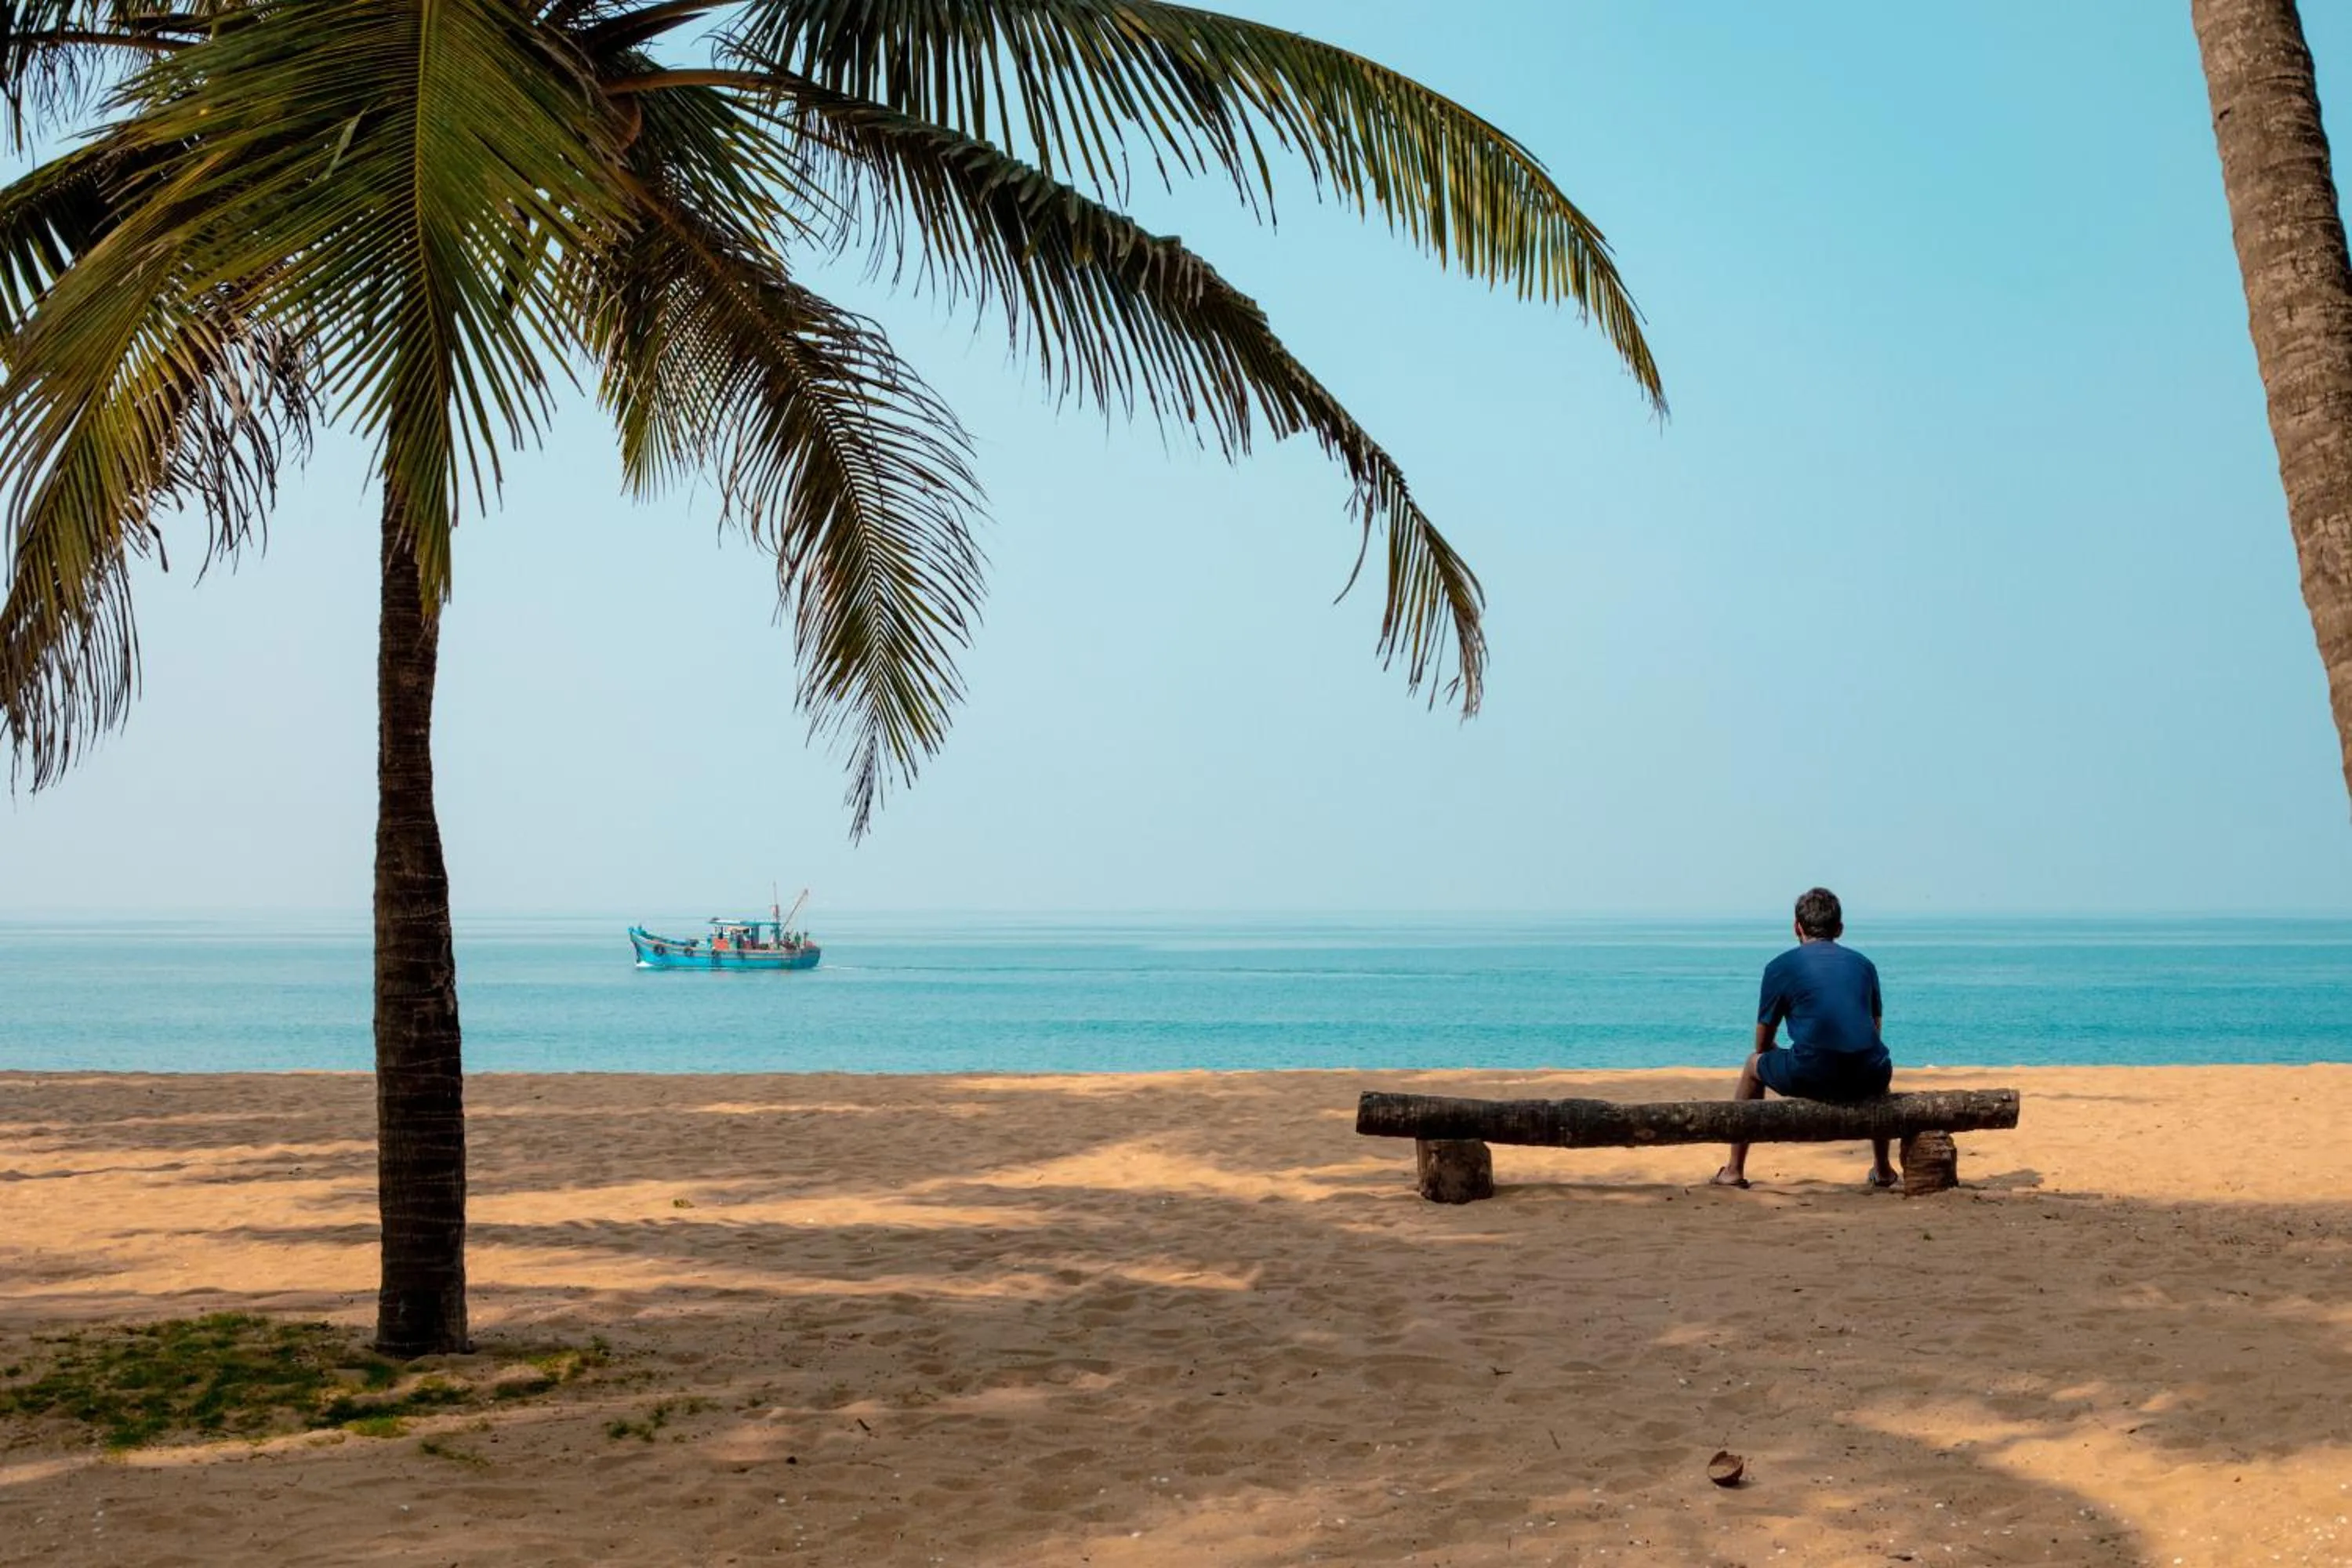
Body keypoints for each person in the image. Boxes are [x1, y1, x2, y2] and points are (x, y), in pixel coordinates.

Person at [1709, 887, 1896, 1190]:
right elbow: (1873, 1032)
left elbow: (1762, 1043)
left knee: (1753, 1064)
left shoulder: (1780, 967)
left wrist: (1792, 1055)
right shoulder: (1865, 966)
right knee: (1874, 1063)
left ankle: (1734, 1169)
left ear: (1797, 927)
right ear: (1839, 929)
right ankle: (1884, 1169)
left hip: (1812, 1073)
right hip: (1867, 1075)